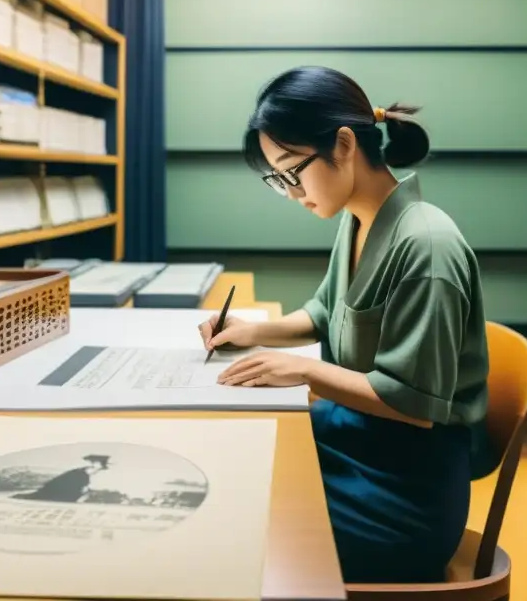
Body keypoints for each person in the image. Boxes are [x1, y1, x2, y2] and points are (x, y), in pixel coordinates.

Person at [198, 66, 491, 584]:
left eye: (293, 171)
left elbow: (414, 406)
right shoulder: (359, 217)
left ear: (344, 144)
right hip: (359, 442)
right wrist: (254, 331)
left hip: (403, 496)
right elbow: (326, 312)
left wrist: (304, 373)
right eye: (278, 179)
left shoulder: (426, 246)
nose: (290, 192)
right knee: (225, 458)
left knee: (227, 510)